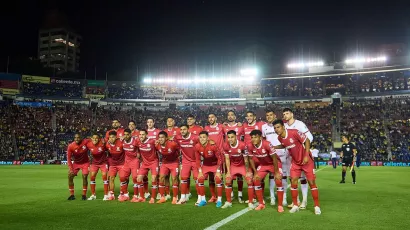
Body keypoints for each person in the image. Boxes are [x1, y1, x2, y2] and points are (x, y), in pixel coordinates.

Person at [273, 120, 321, 215]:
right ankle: (295, 205)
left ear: (283, 126)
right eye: (274, 128)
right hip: (295, 162)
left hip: (306, 161)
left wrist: (306, 155)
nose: (276, 129)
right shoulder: (280, 138)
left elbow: (306, 140)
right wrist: (275, 147)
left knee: (311, 182)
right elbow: (285, 144)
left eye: (278, 127)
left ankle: (316, 206)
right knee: (293, 182)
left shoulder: (294, 132)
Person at [247, 130, 284, 212]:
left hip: (275, 164)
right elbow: (250, 159)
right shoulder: (249, 146)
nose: (253, 139)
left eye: (255, 137)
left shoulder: (267, 144)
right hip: (263, 165)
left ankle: (280, 205)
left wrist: (277, 172)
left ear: (260, 137)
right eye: (252, 137)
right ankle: (261, 204)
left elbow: (274, 158)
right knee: (256, 180)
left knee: (278, 180)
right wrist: (255, 172)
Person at [282, 108, 312, 209]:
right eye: (284, 114)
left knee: (303, 179)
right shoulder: (284, 126)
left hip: (300, 155)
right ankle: (297, 201)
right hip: (289, 156)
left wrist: (304, 150)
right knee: (293, 178)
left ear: (292, 114)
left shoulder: (299, 124)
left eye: (287, 113)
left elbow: (309, 137)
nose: (285, 115)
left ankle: (304, 200)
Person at [262, 110, 289, 206]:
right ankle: (272, 197)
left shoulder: (280, 125)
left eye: (270, 115)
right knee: (272, 177)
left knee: (284, 177)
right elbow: (264, 141)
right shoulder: (264, 127)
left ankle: (284, 198)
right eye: (267, 115)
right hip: (271, 156)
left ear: (275, 115)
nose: (269, 116)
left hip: (282, 154)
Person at [222, 130, 254, 209]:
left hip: (242, 165)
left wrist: (247, 172)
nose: (230, 139)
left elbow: (246, 159)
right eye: (228, 137)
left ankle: (250, 202)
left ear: (236, 137)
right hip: (233, 166)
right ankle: (229, 202)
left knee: (249, 180)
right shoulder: (225, 145)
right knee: (228, 179)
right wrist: (228, 172)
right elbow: (227, 159)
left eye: (232, 137)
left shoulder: (242, 145)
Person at [195, 131, 223, 208]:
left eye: (204, 137)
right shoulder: (197, 146)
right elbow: (197, 160)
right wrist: (200, 172)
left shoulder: (213, 145)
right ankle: (203, 200)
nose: (202, 139)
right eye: (200, 137)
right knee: (200, 179)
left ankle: (219, 200)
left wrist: (218, 171)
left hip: (215, 164)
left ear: (208, 138)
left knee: (218, 179)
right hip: (206, 165)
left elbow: (220, 159)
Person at [174, 124, 199, 205]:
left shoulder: (195, 137)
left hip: (195, 161)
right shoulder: (178, 137)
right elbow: (175, 145)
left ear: (188, 130)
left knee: (197, 179)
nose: (182, 131)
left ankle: (200, 198)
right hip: (186, 161)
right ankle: (182, 198)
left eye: (184, 129)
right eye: (181, 129)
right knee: (183, 178)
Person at [223, 110, 245, 203]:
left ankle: (240, 194)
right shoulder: (223, 127)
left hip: (239, 154)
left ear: (235, 117)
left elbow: (246, 136)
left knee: (240, 176)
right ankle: (231, 193)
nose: (230, 116)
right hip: (229, 153)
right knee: (229, 175)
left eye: (232, 115)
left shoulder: (241, 126)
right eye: (229, 115)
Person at [204, 113, 225, 202]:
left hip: (220, 155)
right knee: (211, 177)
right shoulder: (206, 128)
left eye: (212, 117)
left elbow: (228, 134)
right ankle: (213, 196)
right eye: (209, 117)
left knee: (219, 177)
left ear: (216, 118)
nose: (211, 119)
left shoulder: (221, 127)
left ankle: (220, 196)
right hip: (210, 155)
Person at [156, 131, 180, 204]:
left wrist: (179, 160)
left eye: (162, 137)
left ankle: (175, 197)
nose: (160, 139)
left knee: (174, 178)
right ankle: (162, 197)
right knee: (161, 177)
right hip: (165, 163)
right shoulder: (157, 145)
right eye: (159, 137)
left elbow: (179, 150)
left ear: (166, 138)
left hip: (174, 162)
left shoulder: (173, 144)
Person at [135, 129, 159, 203]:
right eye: (140, 134)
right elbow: (136, 148)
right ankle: (142, 197)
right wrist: (138, 154)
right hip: (145, 163)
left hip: (153, 162)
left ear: (146, 135)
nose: (141, 136)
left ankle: (152, 198)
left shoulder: (152, 141)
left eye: (143, 134)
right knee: (138, 179)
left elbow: (159, 148)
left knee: (154, 179)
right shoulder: (137, 141)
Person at [66, 133, 90, 201]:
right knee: (70, 176)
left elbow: (93, 139)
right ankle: (72, 195)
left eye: (78, 137)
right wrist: (71, 169)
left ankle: (84, 195)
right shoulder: (71, 146)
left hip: (85, 163)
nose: (77, 139)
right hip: (76, 163)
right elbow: (68, 158)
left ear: (81, 138)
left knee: (84, 176)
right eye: (75, 138)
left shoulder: (86, 141)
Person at [86, 134, 109, 201]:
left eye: (96, 138)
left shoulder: (103, 144)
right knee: (92, 178)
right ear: (91, 138)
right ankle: (93, 195)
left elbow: (109, 147)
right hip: (94, 163)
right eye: (93, 138)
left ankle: (105, 195)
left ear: (99, 139)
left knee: (104, 177)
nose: (95, 139)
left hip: (103, 163)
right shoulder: (89, 144)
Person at [105, 131, 126, 201]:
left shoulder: (121, 142)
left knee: (122, 178)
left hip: (122, 163)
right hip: (113, 164)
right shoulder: (107, 144)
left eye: (113, 137)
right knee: (111, 178)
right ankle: (111, 194)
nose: (111, 139)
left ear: (116, 137)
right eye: (110, 137)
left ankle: (122, 193)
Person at [121, 129, 140, 202]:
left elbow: (141, 146)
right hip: (127, 161)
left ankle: (135, 195)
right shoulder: (122, 141)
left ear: (130, 135)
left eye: (127, 134)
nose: (126, 136)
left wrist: (139, 154)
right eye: (124, 134)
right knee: (122, 177)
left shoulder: (135, 141)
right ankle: (125, 194)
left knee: (135, 178)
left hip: (134, 161)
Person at [145, 118, 161, 198]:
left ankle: (158, 192)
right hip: (145, 157)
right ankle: (146, 192)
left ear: (154, 123)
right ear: (146, 123)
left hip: (155, 156)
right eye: (148, 122)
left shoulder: (158, 132)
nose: (150, 123)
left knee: (156, 175)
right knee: (144, 175)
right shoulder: (144, 132)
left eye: (151, 122)